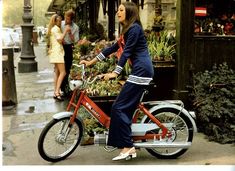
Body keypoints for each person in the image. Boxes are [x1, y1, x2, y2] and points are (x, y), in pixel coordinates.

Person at [80, 2, 154, 161]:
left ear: (129, 12)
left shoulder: (134, 29)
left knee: (119, 107)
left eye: (120, 10)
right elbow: (112, 48)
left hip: (142, 71)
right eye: (118, 10)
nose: (117, 12)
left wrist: (115, 72)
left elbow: (126, 52)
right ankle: (122, 143)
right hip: (138, 71)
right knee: (122, 108)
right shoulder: (127, 30)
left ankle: (128, 147)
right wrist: (91, 62)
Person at [47, 14, 70, 101]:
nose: (60, 22)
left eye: (61, 21)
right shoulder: (55, 29)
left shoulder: (55, 29)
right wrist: (66, 31)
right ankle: (57, 92)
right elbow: (60, 40)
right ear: (55, 21)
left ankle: (56, 92)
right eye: (59, 21)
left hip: (56, 52)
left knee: (57, 72)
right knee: (63, 72)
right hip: (58, 53)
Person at [61, 9, 80, 97]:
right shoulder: (60, 24)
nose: (66, 20)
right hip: (60, 47)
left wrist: (70, 33)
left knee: (67, 68)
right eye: (65, 17)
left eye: (68, 19)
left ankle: (65, 88)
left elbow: (75, 41)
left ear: (71, 19)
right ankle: (61, 88)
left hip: (68, 48)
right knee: (60, 69)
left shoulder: (75, 27)